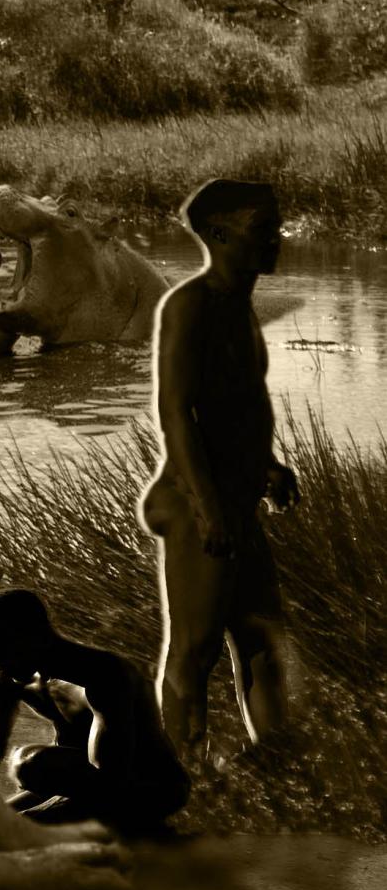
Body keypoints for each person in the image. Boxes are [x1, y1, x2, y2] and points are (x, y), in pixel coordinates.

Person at [140, 178, 299, 762]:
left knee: (261, 640)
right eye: (263, 230)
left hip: (236, 499)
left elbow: (237, 403)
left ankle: (277, 766)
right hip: (195, 502)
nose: (275, 240)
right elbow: (175, 414)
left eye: (275, 227)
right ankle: (181, 775)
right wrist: (207, 508)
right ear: (217, 235)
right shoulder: (189, 305)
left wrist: (267, 465)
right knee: (194, 648)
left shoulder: (240, 305)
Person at [0, 587, 190, 837]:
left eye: (1, 654)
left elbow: (110, 782)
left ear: (31, 638)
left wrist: (24, 822)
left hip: (148, 784)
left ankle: (138, 828)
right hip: (83, 781)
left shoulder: (104, 676)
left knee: (31, 765)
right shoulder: (11, 672)